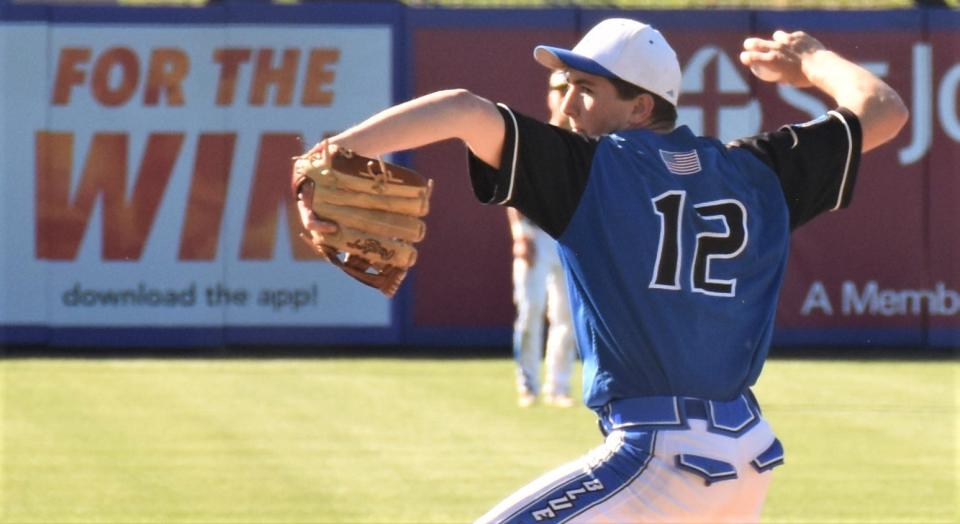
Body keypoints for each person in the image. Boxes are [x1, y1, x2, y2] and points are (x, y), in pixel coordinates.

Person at [296, 18, 907, 523]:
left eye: (586, 88)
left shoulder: (594, 167)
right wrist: (812, 60)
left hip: (660, 458)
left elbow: (461, 109)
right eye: (565, 83)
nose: (566, 101)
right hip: (743, 457)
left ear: (640, 107)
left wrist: (326, 157)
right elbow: (882, 109)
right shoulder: (760, 171)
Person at [509, 70, 577, 408]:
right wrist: (519, 235)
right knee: (530, 309)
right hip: (535, 234)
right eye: (558, 88)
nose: (565, 95)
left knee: (566, 317)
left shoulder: (583, 142)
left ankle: (558, 385)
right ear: (549, 95)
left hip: (569, 239)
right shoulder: (534, 138)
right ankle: (527, 384)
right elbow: (511, 192)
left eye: (571, 87)